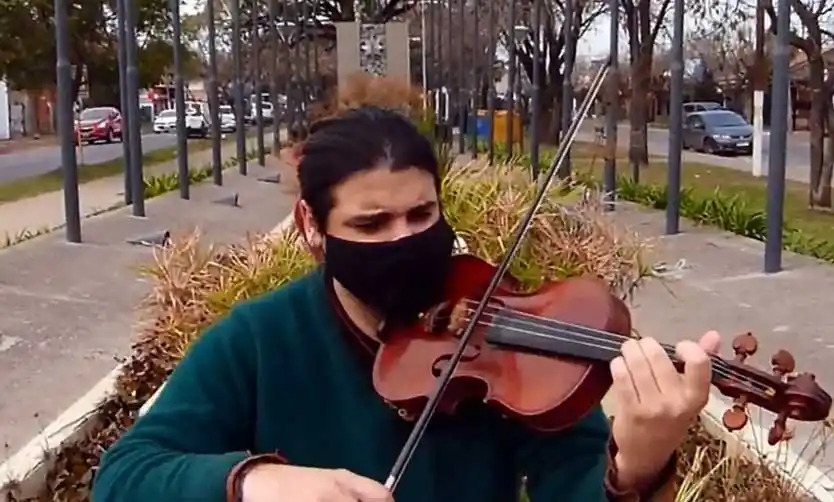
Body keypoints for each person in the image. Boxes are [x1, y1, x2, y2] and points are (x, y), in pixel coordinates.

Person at [92, 106, 720, 502]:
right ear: (311, 226)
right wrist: (255, 482)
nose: (405, 241)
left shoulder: (503, 328)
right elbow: (125, 477)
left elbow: (577, 484)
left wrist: (638, 465)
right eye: (371, 225)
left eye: (423, 214)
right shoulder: (263, 338)